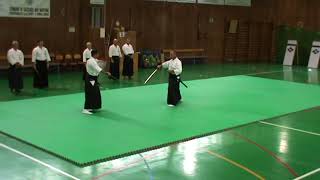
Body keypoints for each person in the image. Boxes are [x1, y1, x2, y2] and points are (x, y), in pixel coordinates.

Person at [83, 49, 111, 115]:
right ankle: (85, 109)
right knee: (91, 92)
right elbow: (98, 69)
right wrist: (106, 73)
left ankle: (93, 107)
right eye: (97, 54)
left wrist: (103, 61)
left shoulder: (94, 60)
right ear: (95, 54)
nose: (98, 55)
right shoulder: (91, 61)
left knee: (95, 92)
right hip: (90, 79)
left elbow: (98, 61)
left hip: (93, 79)